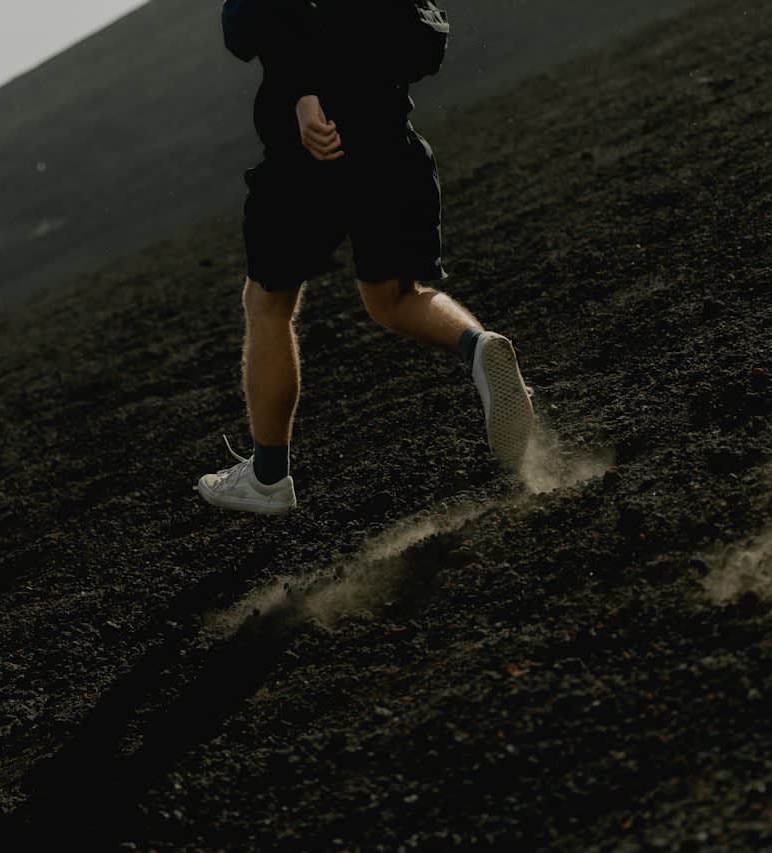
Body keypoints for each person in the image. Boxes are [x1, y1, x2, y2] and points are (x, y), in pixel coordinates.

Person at [197, 0, 533, 514]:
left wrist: (305, 91)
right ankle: (477, 345)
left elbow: (248, 24)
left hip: (307, 159)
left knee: (267, 303)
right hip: (392, 147)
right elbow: (425, 41)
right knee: (393, 298)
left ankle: (267, 478)